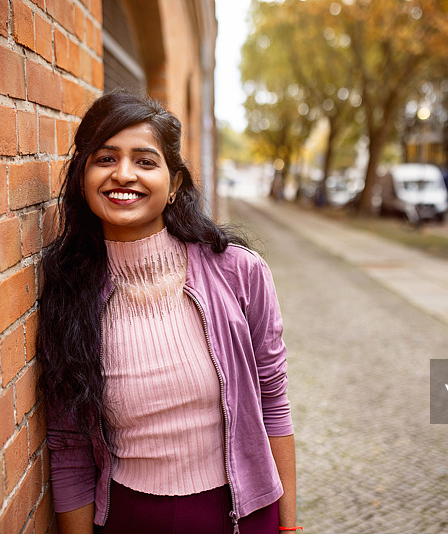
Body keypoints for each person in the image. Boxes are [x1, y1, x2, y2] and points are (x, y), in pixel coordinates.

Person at [36, 90, 299, 534]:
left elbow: (273, 402)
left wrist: (289, 528)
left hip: (241, 516)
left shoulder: (238, 273)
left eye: (145, 161)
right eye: (105, 158)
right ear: (83, 176)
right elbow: (69, 445)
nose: (124, 174)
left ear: (174, 183)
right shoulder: (69, 294)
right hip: (129, 520)